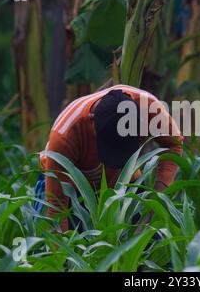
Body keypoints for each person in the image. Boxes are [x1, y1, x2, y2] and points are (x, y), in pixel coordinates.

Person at [39, 85, 183, 231]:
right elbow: (56, 209)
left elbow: (173, 144)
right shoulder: (66, 135)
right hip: (71, 188)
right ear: (93, 125)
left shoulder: (149, 108)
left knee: (150, 241)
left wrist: (156, 199)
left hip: (123, 180)